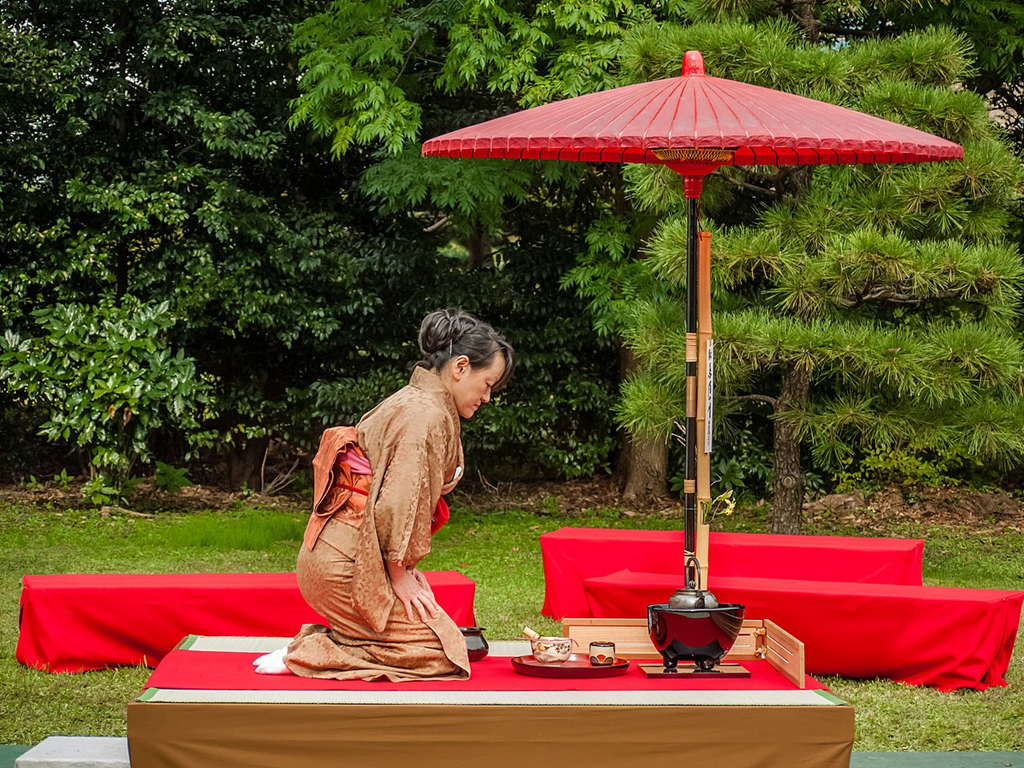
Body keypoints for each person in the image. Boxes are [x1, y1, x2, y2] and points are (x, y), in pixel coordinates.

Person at [254, 309, 514, 681]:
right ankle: (310, 652)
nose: (487, 396)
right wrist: (398, 573)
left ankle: (341, 640)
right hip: (346, 567)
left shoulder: (416, 401)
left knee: (448, 638)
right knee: (440, 655)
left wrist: (404, 568)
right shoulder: (423, 415)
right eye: (487, 383)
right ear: (460, 367)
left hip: (340, 555)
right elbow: (399, 500)